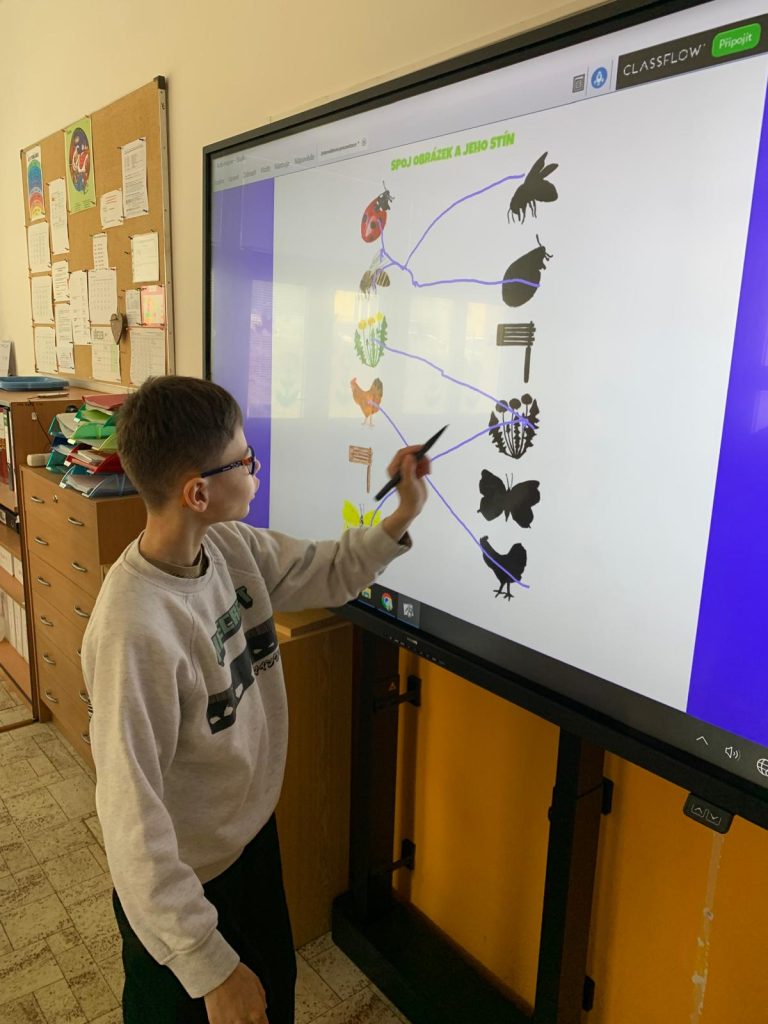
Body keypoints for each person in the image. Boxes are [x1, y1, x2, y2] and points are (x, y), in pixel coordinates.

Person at [82, 375, 429, 1024]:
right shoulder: (135, 630)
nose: (256, 469)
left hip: (247, 847)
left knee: (272, 995)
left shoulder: (229, 547)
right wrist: (205, 962)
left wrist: (403, 513)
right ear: (198, 493)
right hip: (179, 885)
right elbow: (131, 818)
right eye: (244, 460)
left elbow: (329, 569)